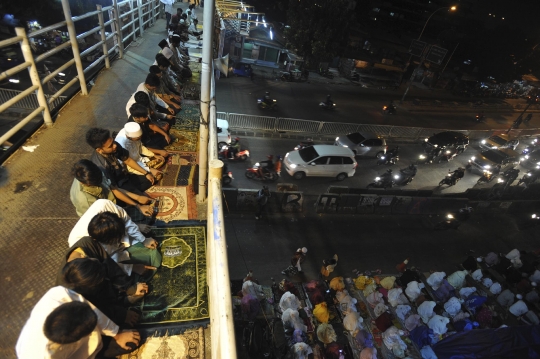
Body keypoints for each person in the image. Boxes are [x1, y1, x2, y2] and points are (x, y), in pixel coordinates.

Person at [16, 286, 141, 359]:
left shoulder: (58, 294)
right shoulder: (41, 355)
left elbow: (91, 310)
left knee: (132, 339)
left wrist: (117, 334)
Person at [63, 211, 155, 292]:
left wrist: (143, 239)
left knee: (152, 256)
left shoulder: (89, 242)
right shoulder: (79, 284)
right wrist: (129, 291)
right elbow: (109, 265)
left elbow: (110, 265)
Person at [68, 199, 161, 276]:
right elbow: (108, 264)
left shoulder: (104, 205)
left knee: (153, 252)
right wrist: (132, 268)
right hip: (112, 258)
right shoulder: (83, 247)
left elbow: (127, 221)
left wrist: (143, 239)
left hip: (120, 245)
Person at [60, 258, 141, 327]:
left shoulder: (85, 262)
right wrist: (122, 315)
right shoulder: (79, 303)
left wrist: (128, 287)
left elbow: (107, 264)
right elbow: (98, 311)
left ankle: (119, 300)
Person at [70, 159, 153, 217]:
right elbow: (100, 219)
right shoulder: (85, 200)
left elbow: (113, 189)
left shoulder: (94, 172)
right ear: (83, 183)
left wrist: (137, 202)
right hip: (98, 217)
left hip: (109, 202)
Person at [86, 128, 155, 195]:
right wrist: (137, 199)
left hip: (123, 176)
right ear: (99, 150)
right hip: (116, 188)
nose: (115, 145)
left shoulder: (114, 146)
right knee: (140, 198)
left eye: (113, 142)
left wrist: (146, 173)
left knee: (149, 180)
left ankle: (134, 192)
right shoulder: (101, 166)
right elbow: (113, 189)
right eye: (110, 146)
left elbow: (127, 160)